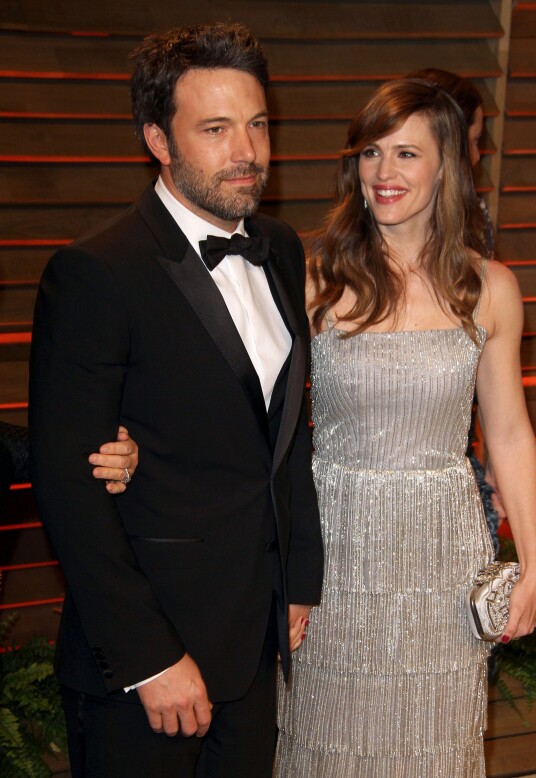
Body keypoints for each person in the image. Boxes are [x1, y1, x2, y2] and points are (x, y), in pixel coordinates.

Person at [29, 22, 323, 778]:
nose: (248, 152)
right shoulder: (98, 271)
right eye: (216, 129)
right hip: (148, 659)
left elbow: (284, 438)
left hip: (255, 642)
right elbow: (69, 485)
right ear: (158, 139)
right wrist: (148, 657)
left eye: (258, 125)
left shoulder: (282, 248)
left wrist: (300, 580)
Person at [275, 79, 536, 776]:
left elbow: (510, 433)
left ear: (447, 164)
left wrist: (534, 565)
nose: (384, 173)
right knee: (326, 736)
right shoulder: (314, 282)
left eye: (405, 154)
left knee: (431, 740)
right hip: (335, 556)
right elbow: (257, 428)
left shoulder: (490, 289)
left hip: (441, 555)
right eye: (370, 153)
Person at [407, 67, 503, 552]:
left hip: (449, 452)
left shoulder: (471, 224)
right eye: (473, 140)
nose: (478, 155)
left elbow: (476, 353)